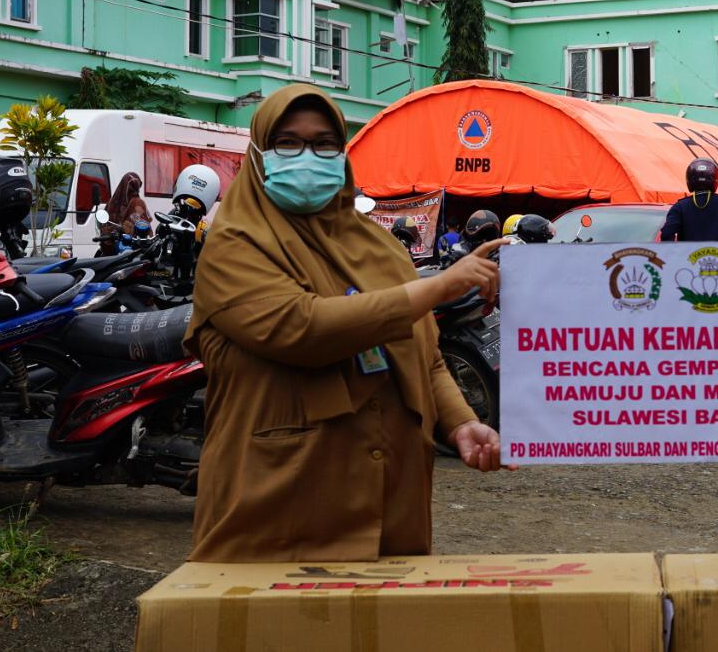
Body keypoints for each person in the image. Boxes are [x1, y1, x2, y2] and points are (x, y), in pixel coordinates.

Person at [185, 85, 512, 562]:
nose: (307, 156)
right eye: (287, 143)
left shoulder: (377, 245)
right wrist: (440, 286)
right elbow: (302, 329)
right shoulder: (235, 244)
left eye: (323, 144)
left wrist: (461, 423)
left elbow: (426, 355)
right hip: (280, 507)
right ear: (257, 155)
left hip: (391, 509)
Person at [659, 158, 718, 242]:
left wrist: (676, 253)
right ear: (715, 179)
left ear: (689, 179)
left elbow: (667, 234)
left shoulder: (680, 206)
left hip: (689, 257)